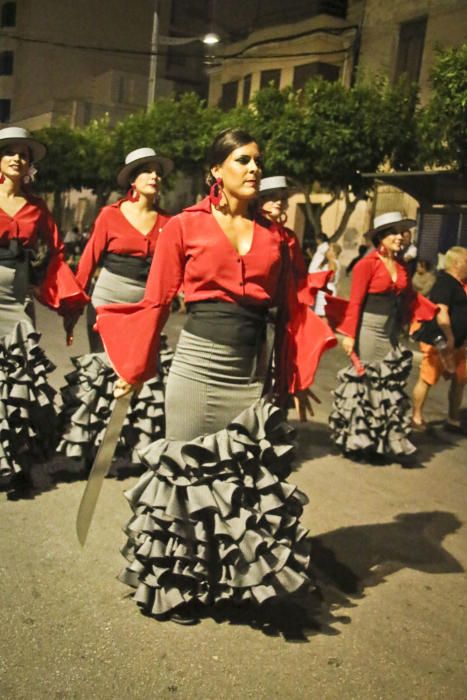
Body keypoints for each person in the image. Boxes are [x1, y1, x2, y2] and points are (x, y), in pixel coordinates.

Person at [95, 129, 337, 624]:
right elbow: (157, 301)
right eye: (243, 160)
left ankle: (232, 583)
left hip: (249, 370)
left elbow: (290, 311)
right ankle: (176, 587)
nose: (254, 169)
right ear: (216, 170)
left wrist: (294, 374)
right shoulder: (183, 226)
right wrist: (134, 369)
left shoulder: (276, 238)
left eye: (257, 162)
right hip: (197, 363)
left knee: (240, 482)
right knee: (185, 480)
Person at [58, 147, 174, 467]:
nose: (154, 175)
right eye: (146, 170)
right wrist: (73, 304)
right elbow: (88, 261)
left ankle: (132, 447)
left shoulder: (169, 222)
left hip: (146, 309)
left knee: (140, 377)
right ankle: (91, 448)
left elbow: (177, 269)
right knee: (104, 373)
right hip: (107, 304)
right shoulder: (110, 214)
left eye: (157, 171)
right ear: (132, 180)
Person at [0, 126, 88, 482]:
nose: (19, 158)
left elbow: (56, 253)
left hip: (18, 299)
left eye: (25, 154)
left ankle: (8, 457)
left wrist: (66, 296)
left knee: (16, 375)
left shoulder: (37, 207)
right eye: (12, 152)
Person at [329, 211, 437, 467]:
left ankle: (379, 442)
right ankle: (358, 443)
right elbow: (355, 302)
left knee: (387, 386)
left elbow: (409, 298)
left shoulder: (401, 266)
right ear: (382, 237)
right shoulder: (366, 264)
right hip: (368, 327)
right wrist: (349, 336)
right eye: (395, 232)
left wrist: (426, 317)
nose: (401, 237)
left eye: (402, 232)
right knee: (366, 385)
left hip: (390, 330)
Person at [412, 246, 467, 434]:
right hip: (440, 341)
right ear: (457, 263)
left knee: (460, 381)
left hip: (459, 344)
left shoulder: (460, 284)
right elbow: (441, 312)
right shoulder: (445, 282)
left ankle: (453, 420)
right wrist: (449, 336)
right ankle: (416, 417)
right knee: (427, 378)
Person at [314, 243, 342, 318]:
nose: (327, 251)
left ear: (334, 253)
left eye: (329, 250)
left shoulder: (332, 262)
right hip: (328, 289)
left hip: (326, 289)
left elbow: (331, 277)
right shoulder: (335, 262)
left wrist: (320, 278)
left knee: (323, 315)